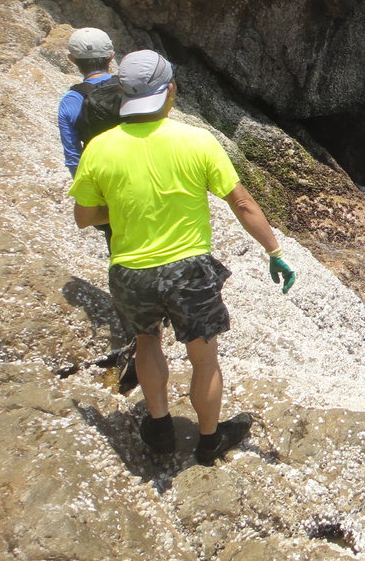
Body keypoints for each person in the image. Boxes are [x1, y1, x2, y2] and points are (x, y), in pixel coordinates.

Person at [69, 49, 296, 465]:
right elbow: (242, 203)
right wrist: (274, 251)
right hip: (189, 270)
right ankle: (209, 440)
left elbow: (84, 218)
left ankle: (159, 429)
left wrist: (123, 208)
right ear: (169, 89)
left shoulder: (100, 148)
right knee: (203, 358)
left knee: (146, 340)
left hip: (131, 270)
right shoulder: (197, 141)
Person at [57, 27, 115, 177]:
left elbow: (72, 156)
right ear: (111, 57)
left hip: (99, 175)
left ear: (72, 59)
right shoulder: (129, 87)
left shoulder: (71, 99)